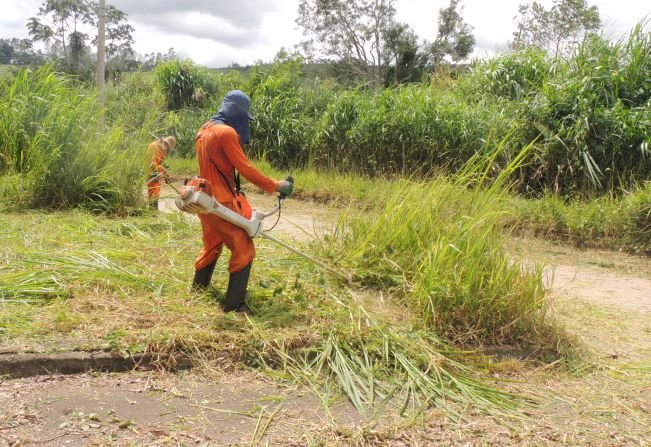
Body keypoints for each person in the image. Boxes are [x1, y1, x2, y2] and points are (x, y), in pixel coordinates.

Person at [192, 90, 293, 312]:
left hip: (204, 199)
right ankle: (235, 306)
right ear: (237, 112)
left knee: (212, 245)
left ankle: (197, 292)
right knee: (243, 248)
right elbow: (245, 168)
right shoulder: (226, 133)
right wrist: (277, 185)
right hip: (222, 203)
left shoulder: (204, 129)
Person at [147, 135, 176, 210]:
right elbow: (151, 163)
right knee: (153, 190)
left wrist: (166, 174)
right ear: (165, 143)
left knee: (156, 190)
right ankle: (152, 210)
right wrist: (163, 170)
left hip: (156, 172)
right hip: (151, 171)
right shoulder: (154, 147)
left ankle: (154, 210)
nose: (167, 151)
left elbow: (160, 163)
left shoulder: (162, 149)